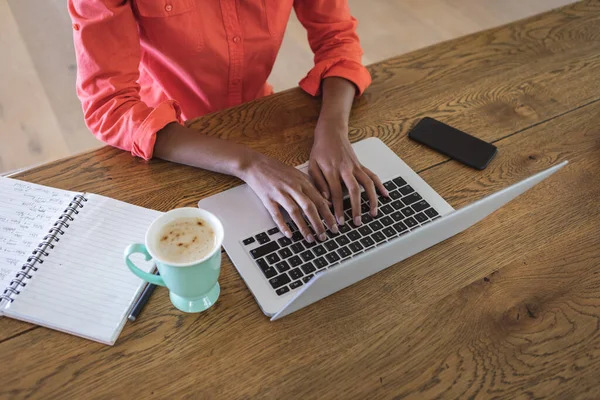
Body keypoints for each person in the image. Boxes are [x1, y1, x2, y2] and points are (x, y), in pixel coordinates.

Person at [68, 0, 389, 243]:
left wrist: (332, 129)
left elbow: (337, 39)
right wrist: (249, 164)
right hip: (166, 145)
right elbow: (109, 105)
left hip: (260, 118)